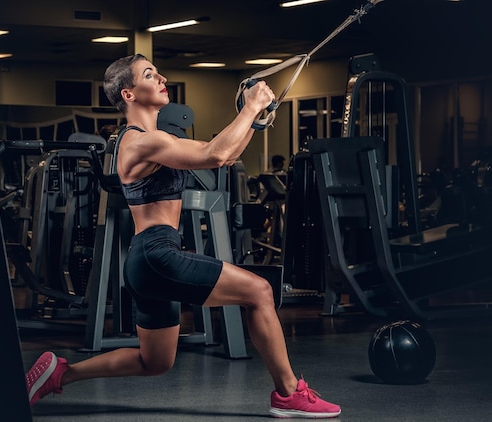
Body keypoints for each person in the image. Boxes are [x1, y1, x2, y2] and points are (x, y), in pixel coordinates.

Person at [25, 54, 341, 419]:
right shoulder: (141, 142)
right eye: (149, 74)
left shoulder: (152, 140)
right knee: (259, 291)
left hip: (148, 261)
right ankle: (288, 394)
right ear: (128, 94)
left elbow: (222, 154)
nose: (161, 77)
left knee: (154, 361)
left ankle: (62, 373)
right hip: (158, 254)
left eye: (157, 71)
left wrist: (253, 118)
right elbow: (217, 153)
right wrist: (252, 105)